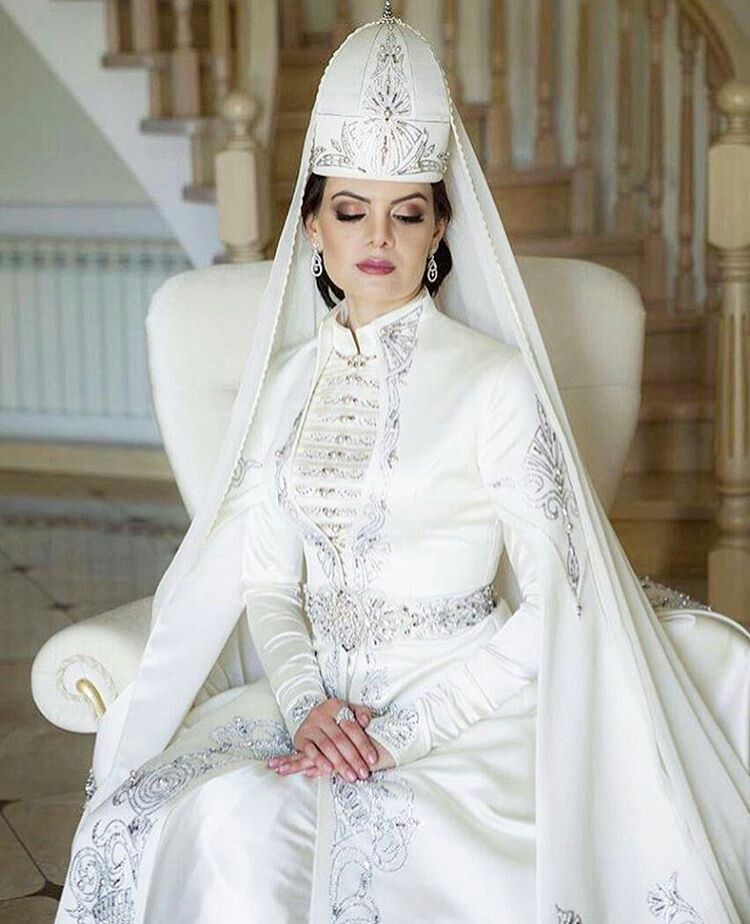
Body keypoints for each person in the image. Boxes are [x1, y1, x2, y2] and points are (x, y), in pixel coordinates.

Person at [55, 5, 749, 923]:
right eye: (351, 211)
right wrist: (306, 704)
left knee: (265, 833)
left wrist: (405, 733)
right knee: (172, 817)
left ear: (437, 230)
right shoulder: (286, 384)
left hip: (465, 714)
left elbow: (557, 600)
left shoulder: (495, 383)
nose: (377, 237)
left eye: (406, 213)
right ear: (313, 226)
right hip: (314, 709)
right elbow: (268, 579)